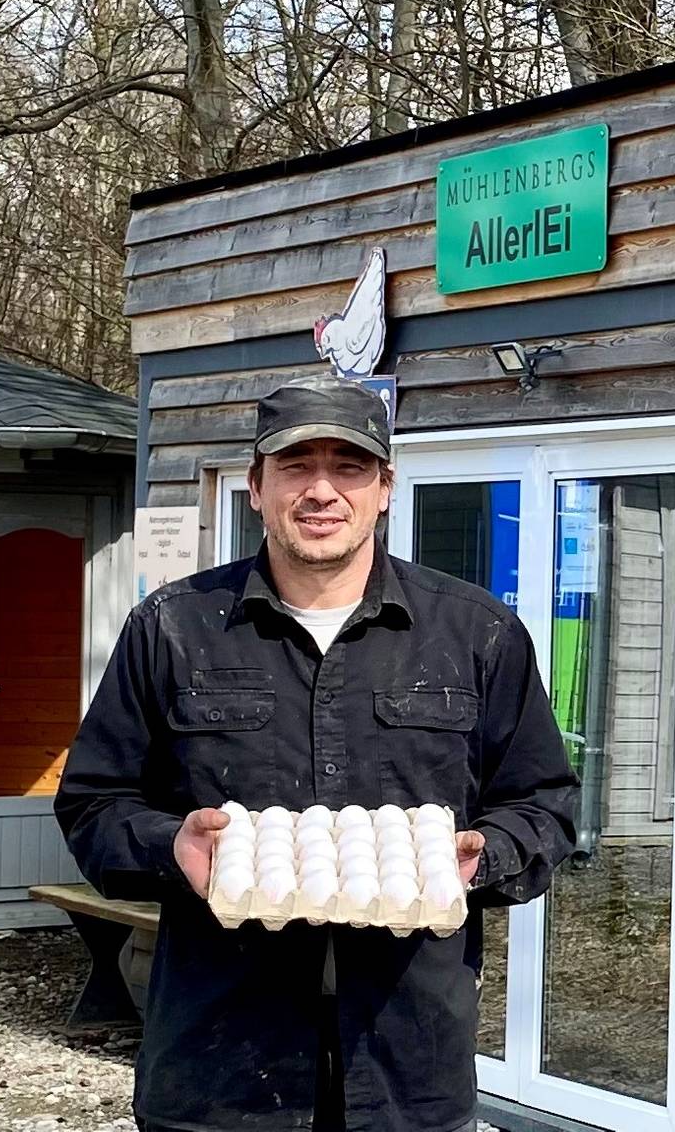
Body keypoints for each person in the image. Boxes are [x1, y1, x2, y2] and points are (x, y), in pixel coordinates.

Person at [57, 375, 577, 1132]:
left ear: (385, 489)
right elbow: (92, 803)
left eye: (349, 468)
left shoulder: (476, 634)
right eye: (296, 466)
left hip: (407, 1070)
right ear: (256, 487)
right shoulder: (173, 628)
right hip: (219, 1070)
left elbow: (544, 805)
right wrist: (172, 847)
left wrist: (482, 856)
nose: (322, 491)